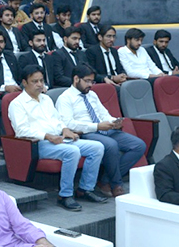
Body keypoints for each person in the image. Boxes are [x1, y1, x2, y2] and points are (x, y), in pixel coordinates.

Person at [9, 65, 107, 211]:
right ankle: (65, 195)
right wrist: (47, 136)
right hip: (38, 144)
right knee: (72, 152)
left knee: (97, 147)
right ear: (24, 83)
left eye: (41, 81)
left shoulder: (46, 99)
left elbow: (57, 119)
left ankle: (85, 189)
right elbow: (21, 130)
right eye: (35, 81)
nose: (39, 84)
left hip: (58, 139)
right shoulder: (17, 104)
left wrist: (65, 129)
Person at [57, 65, 146, 197]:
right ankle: (116, 184)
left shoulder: (92, 95)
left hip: (104, 129)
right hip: (85, 133)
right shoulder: (65, 98)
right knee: (111, 145)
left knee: (139, 145)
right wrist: (97, 127)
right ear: (76, 79)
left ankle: (105, 180)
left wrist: (114, 121)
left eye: (92, 81)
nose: (90, 85)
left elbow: (103, 114)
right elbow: (69, 124)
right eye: (87, 81)